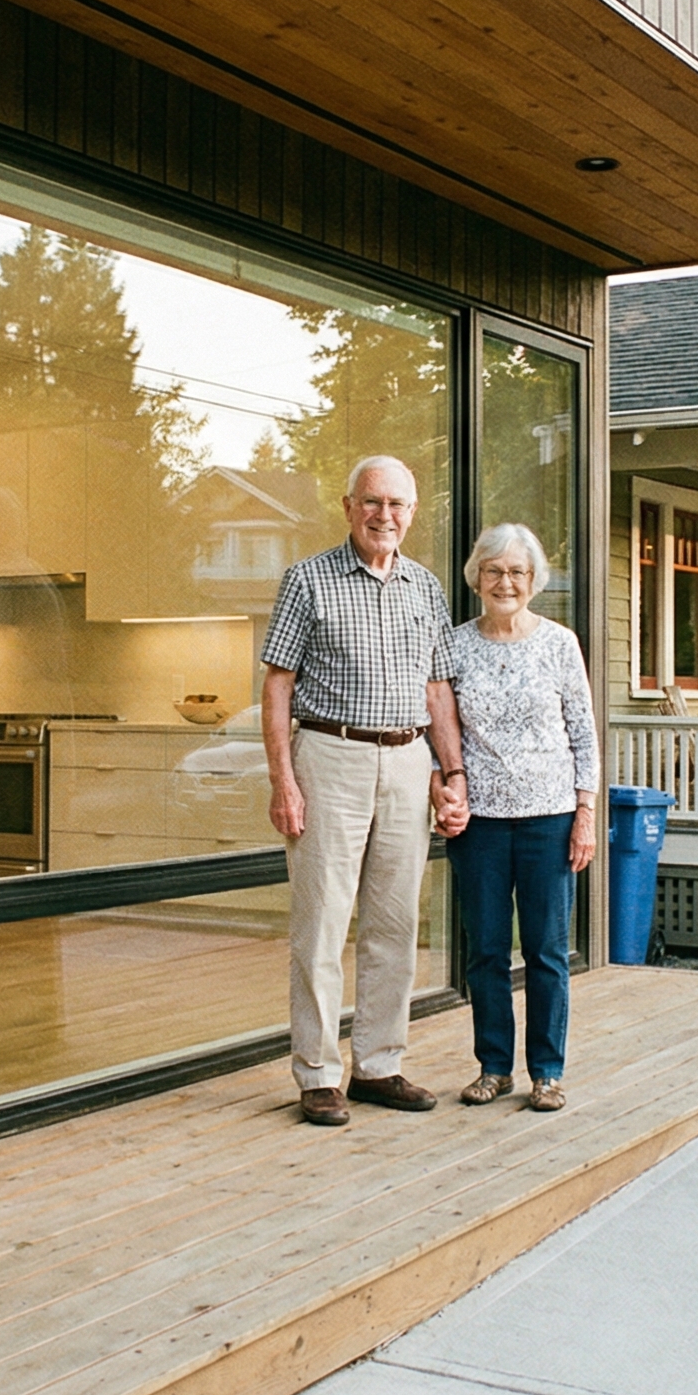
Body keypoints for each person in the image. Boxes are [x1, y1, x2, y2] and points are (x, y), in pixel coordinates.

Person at [260, 455, 470, 1127]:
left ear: (413, 513)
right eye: (373, 502)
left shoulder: (424, 587)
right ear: (349, 507)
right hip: (330, 754)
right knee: (322, 923)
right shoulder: (308, 580)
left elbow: (438, 689)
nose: (385, 516)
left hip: (408, 760)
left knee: (394, 922)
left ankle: (379, 1063)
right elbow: (277, 686)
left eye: (398, 505)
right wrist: (283, 780)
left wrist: (451, 771)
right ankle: (319, 1074)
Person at [444, 524, 597, 1113]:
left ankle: (547, 1072)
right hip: (479, 822)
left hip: (550, 818)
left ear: (533, 580)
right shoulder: (454, 644)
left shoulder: (560, 643)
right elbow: (441, 731)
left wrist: (584, 814)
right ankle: (493, 1067)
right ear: (477, 577)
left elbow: (584, 733)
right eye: (494, 570)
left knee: (546, 952)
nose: (505, 582)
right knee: (484, 949)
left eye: (517, 572)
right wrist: (445, 786)